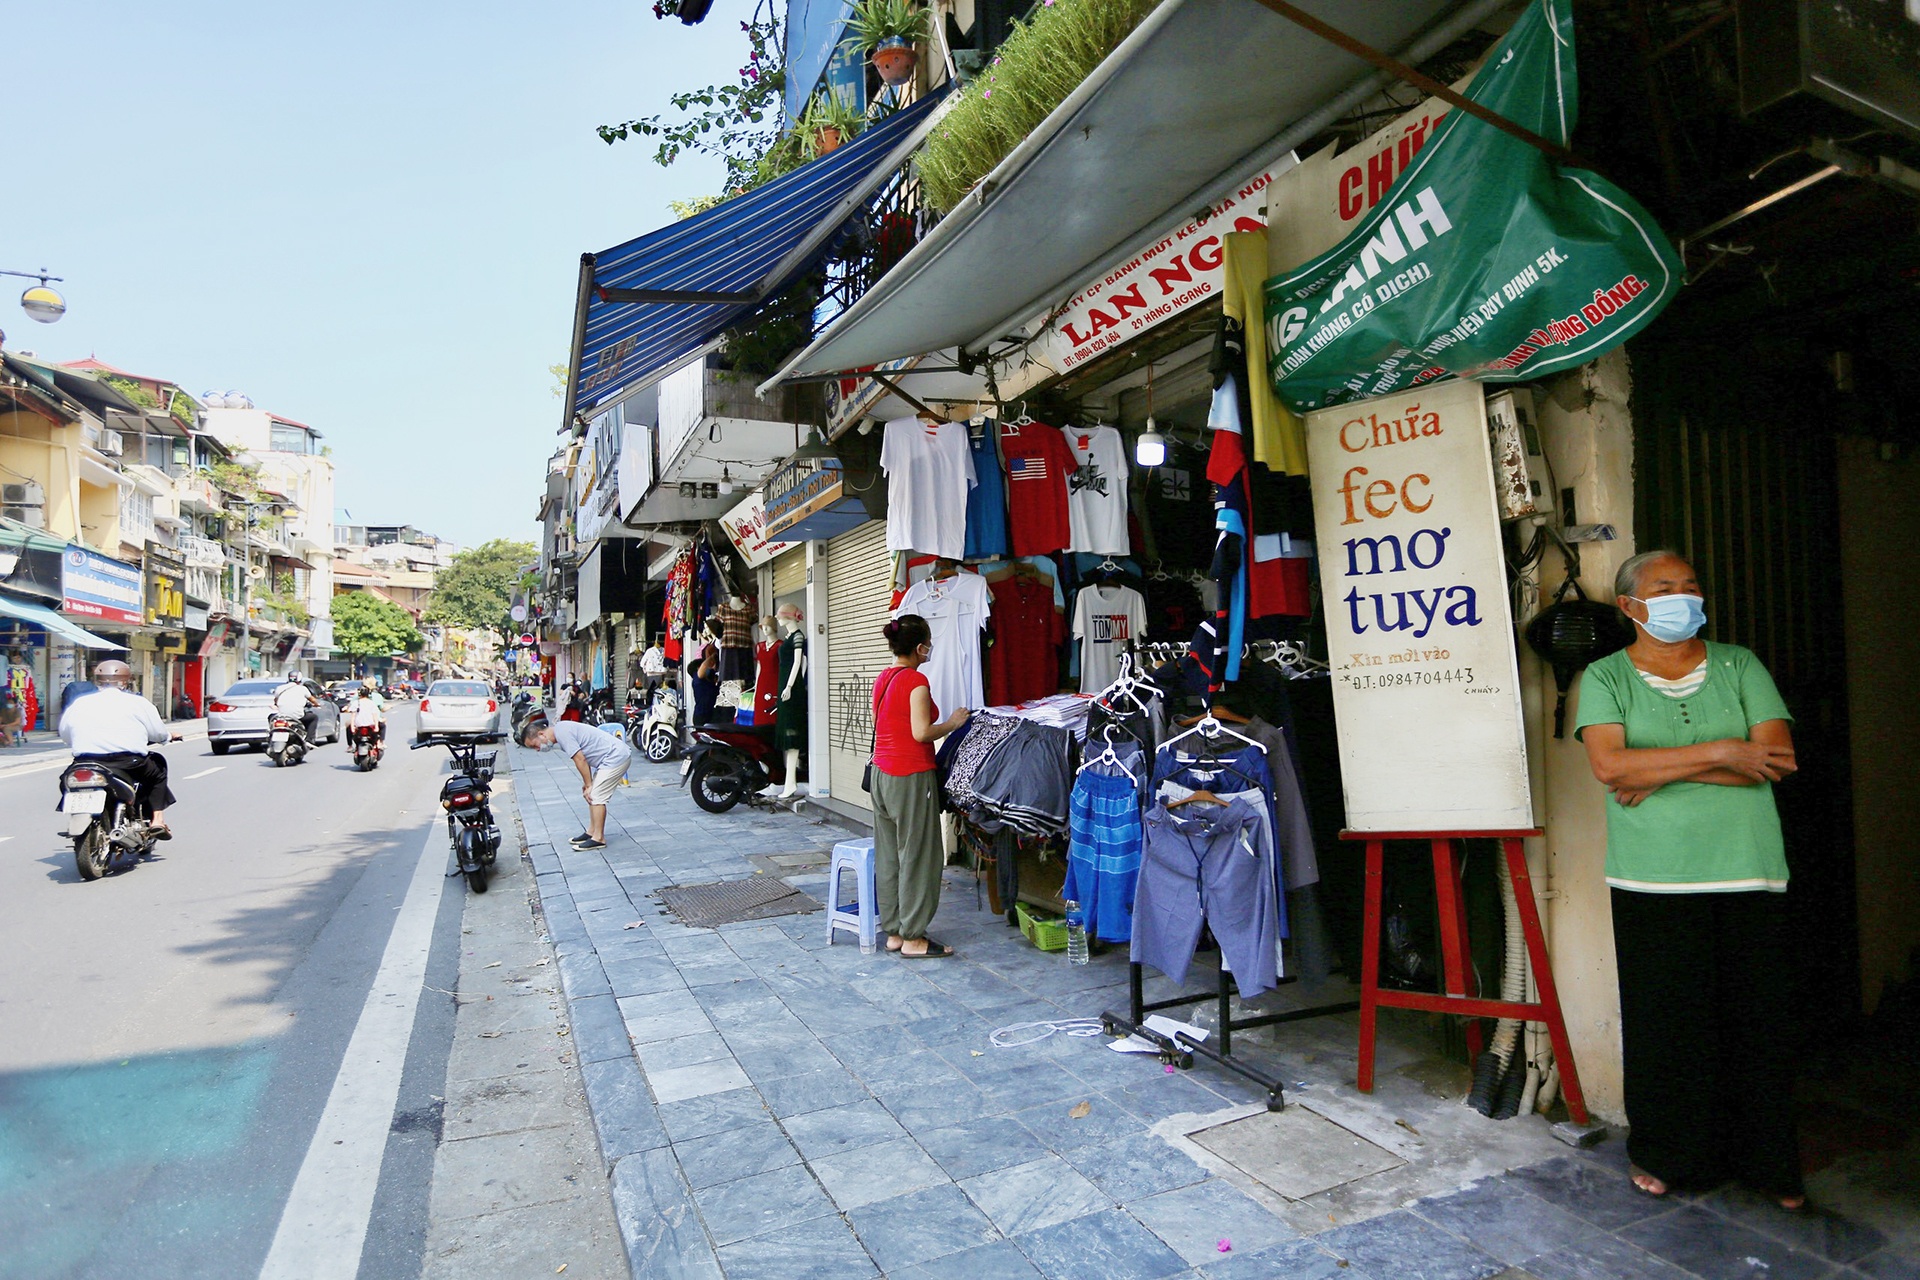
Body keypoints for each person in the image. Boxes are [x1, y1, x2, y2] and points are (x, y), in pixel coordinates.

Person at [1576, 550, 1804, 1210]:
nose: (1684, 597)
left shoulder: (1740, 664)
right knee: (1667, 1027)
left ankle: (1770, 1164)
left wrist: (1659, 770)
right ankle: (1667, 1153)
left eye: (1691, 586)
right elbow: (1609, 767)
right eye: (1664, 588)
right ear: (1629, 607)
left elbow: (1779, 759)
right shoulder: (1606, 676)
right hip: (1652, 879)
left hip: (1748, 870)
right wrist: (1725, 752)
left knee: (1757, 1024)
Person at [871, 615, 969, 959]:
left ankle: (895, 932)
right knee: (919, 855)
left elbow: (882, 725)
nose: (931, 649)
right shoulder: (916, 681)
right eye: (928, 642)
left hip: (881, 774)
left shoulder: (883, 677)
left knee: (889, 856)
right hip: (910, 775)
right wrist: (953, 723)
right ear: (919, 647)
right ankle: (914, 938)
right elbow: (920, 733)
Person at [58, 659, 179, 836]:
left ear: (97, 680)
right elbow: (157, 734)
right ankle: (157, 820)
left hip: (86, 762)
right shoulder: (138, 703)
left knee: (67, 780)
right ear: (126, 680)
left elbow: (65, 735)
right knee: (158, 769)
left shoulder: (79, 704)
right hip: (128, 763)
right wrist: (168, 737)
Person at [517, 716, 630, 851]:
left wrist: (589, 784)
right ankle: (591, 832)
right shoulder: (562, 729)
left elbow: (580, 759)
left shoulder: (562, 733)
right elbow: (582, 759)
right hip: (610, 758)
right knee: (591, 794)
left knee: (596, 795)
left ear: (541, 734)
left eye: (535, 745)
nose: (537, 749)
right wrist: (587, 783)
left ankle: (598, 838)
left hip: (616, 757)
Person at [273, 671, 321, 742]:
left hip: (281, 716)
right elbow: (312, 700)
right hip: (297, 716)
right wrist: (317, 704)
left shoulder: (279, 688)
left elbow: (276, 701)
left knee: (271, 717)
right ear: (299, 680)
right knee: (314, 718)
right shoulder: (303, 689)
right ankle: (309, 740)